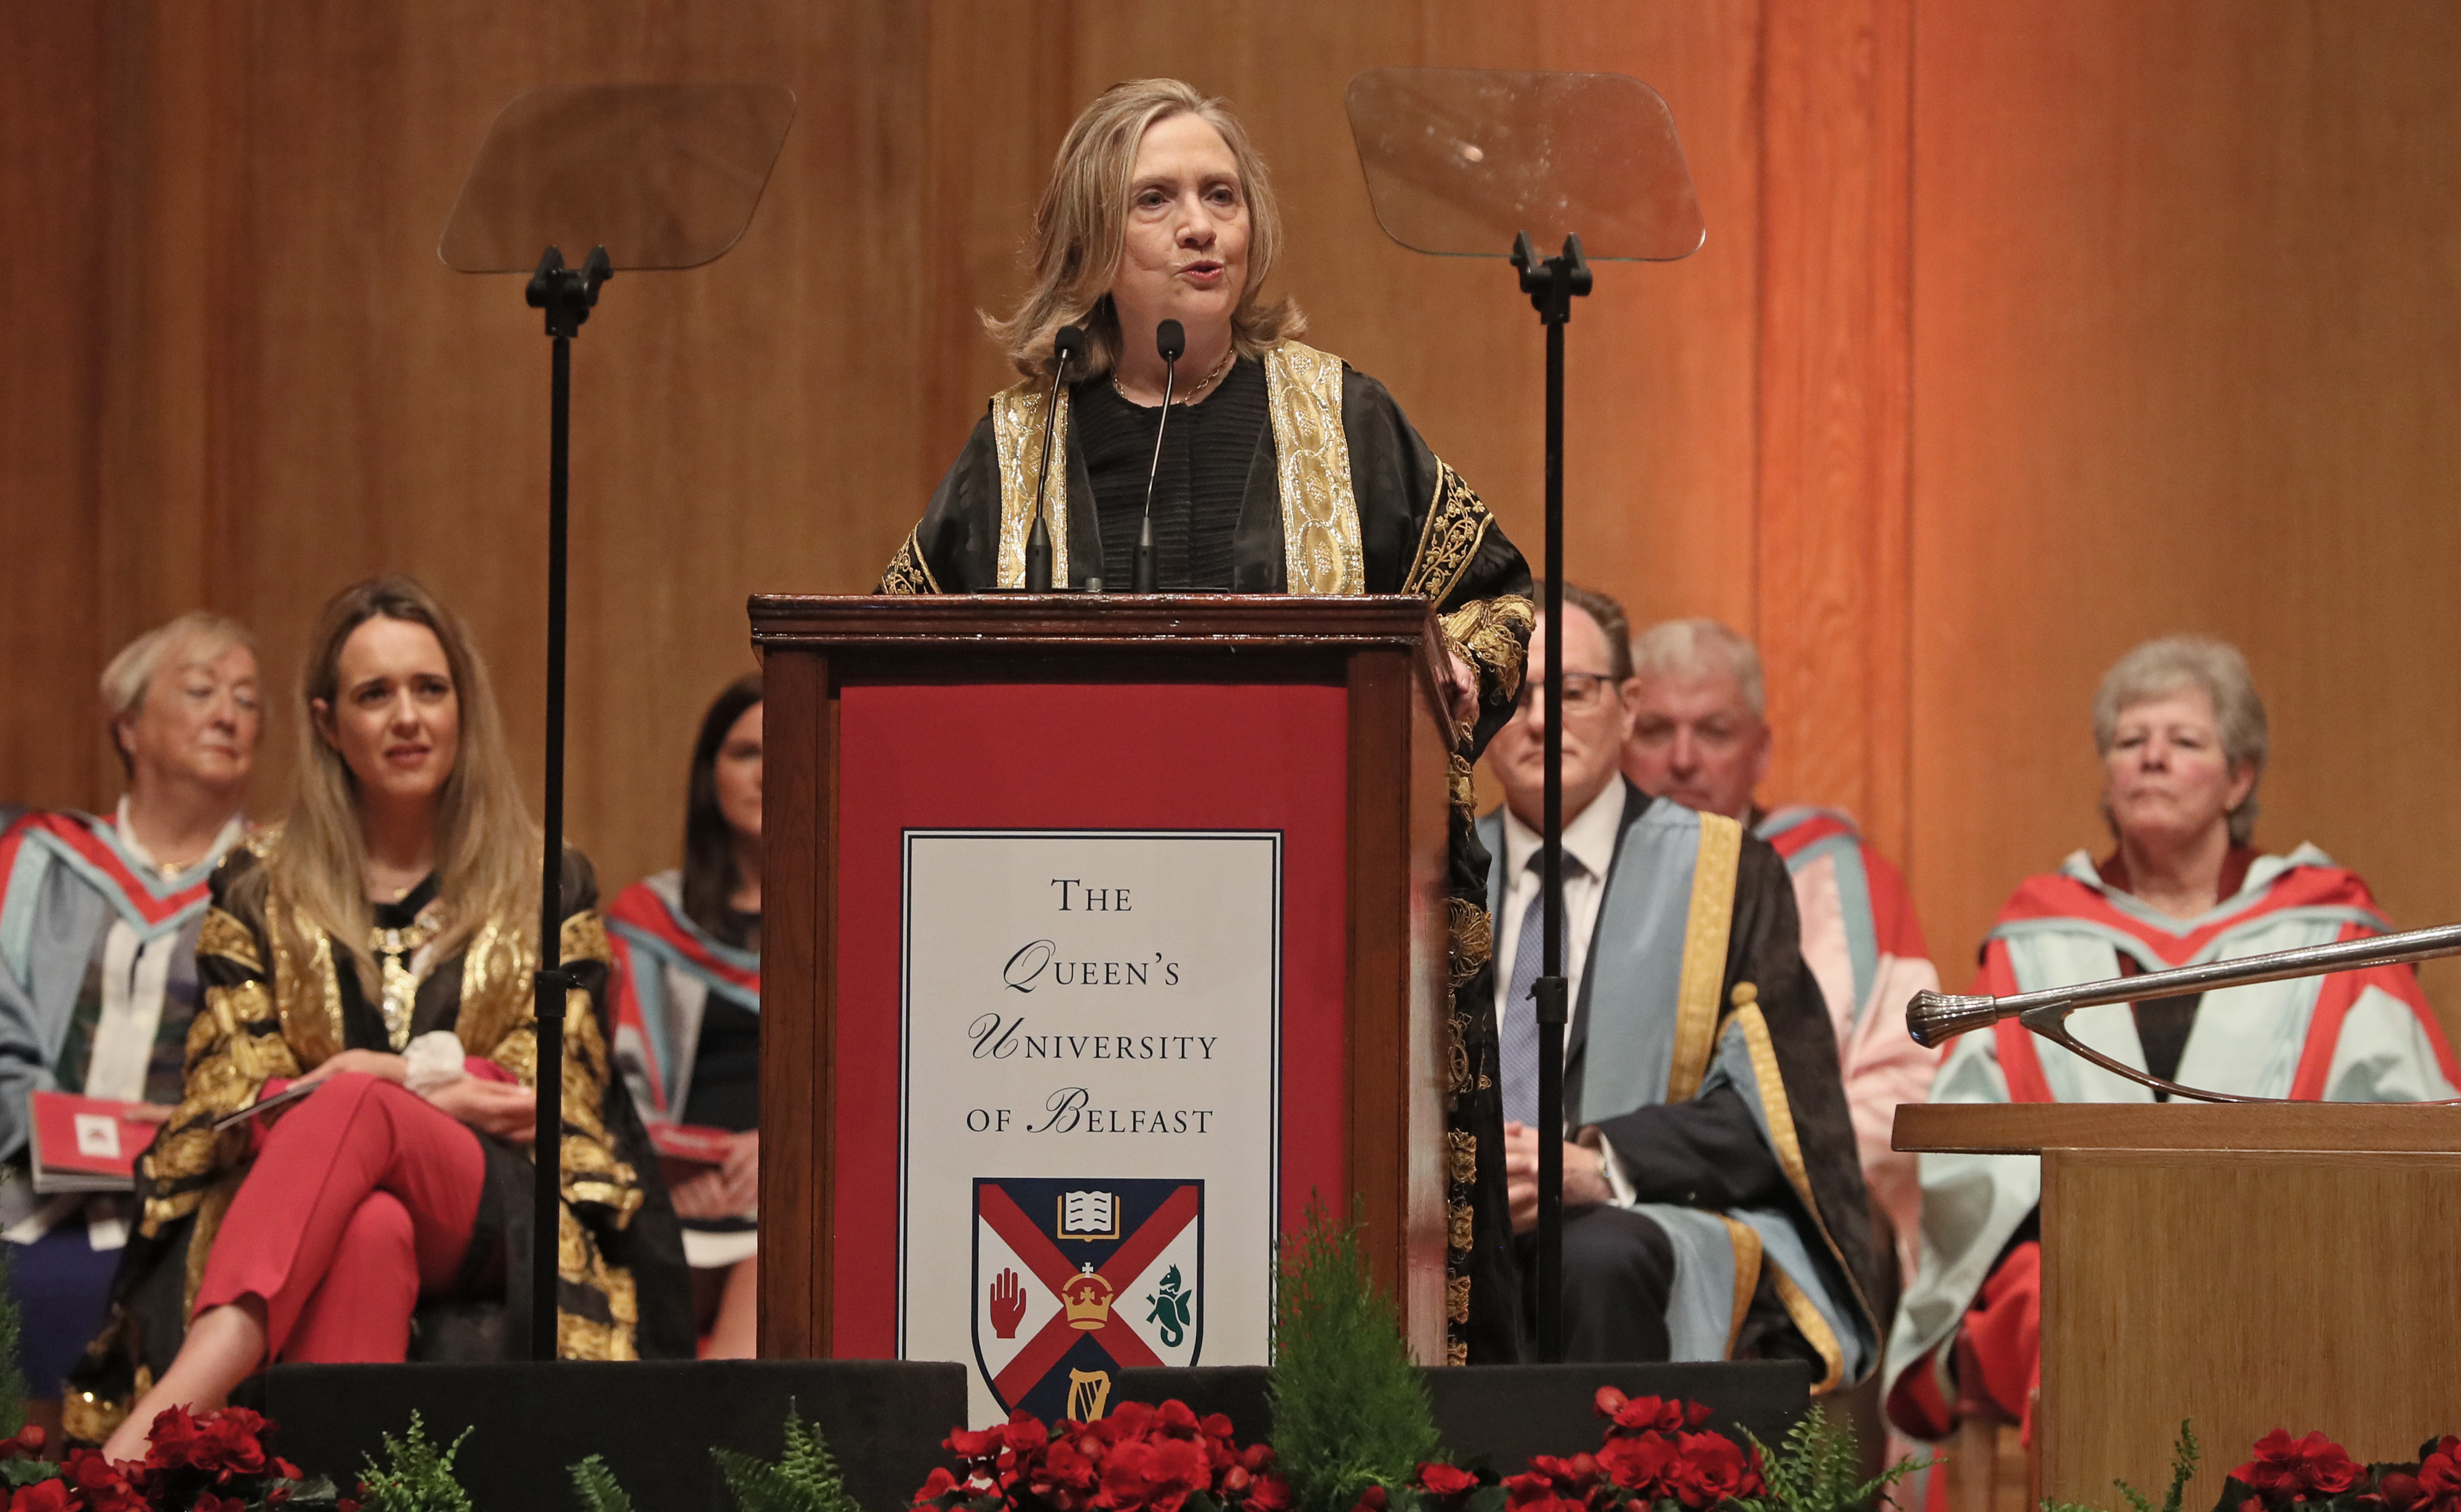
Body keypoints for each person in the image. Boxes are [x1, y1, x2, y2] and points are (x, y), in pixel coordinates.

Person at [877, 78, 1536, 1362]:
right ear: (1091, 241)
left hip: (1316, 935)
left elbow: (1498, 596)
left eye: (1220, 197)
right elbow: (903, 649)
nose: (1199, 228)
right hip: (1067, 965)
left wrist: (1457, 660)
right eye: (1158, 200)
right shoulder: (1014, 450)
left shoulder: (1344, 420)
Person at [69, 578, 690, 1457]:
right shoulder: (258, 880)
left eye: (429, 689)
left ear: (462, 707)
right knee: (368, 1225)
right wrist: (437, 1089)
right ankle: (324, 1477)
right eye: (375, 694)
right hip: (310, 1191)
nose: (407, 716)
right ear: (328, 723)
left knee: (355, 1099)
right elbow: (237, 1086)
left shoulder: (546, 879)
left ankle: (188, 1389)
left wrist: (376, 1077)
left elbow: (539, 1091)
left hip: (492, 1208)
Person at [1883, 635, 2460, 1451]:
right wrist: (2099, 1236)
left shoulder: (2332, 931)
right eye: (2130, 741)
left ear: (2240, 778)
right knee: (2061, 1302)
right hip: (2072, 1258)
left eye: (2183, 741)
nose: (2151, 758)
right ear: (2108, 774)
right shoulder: (2037, 935)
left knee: (2310, 1306)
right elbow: (1973, 1159)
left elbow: (2412, 1128)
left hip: (2287, 1252)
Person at [1477, 584, 1882, 1390]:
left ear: (1627, 707)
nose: (1537, 719)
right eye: (1512, 694)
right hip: (1456, 1208)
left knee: (1595, 1251)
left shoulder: (1725, 872)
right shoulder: (1428, 868)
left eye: (1570, 692)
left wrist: (1605, 1164)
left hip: (1639, 1206)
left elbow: (1774, 1107)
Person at [0, 613, 261, 1426]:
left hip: (191, 1197)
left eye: (250, 699)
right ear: (129, 725)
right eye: (200, 690)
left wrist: (189, 1135)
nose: (229, 713)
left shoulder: (273, 883)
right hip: (20, 1179)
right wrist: (43, 1125)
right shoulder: (35, 859)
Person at [1621, 618, 1939, 1277]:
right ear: (1621, 740)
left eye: (1714, 731)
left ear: (1760, 752)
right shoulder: (1579, 878)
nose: (1683, 758)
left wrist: (1759, 1170)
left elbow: (1908, 1077)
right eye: (1655, 730)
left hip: (1797, 1207)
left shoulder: (1843, 881)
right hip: (1605, 1196)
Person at [609, 674, 764, 1358]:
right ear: (711, 775)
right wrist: (671, 1172)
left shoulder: (854, 919)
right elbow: (616, 1087)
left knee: (774, 1272)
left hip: (792, 1201)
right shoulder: (648, 919)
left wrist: (785, 1151)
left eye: (788, 748)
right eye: (746, 752)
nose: (770, 771)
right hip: (674, 1192)